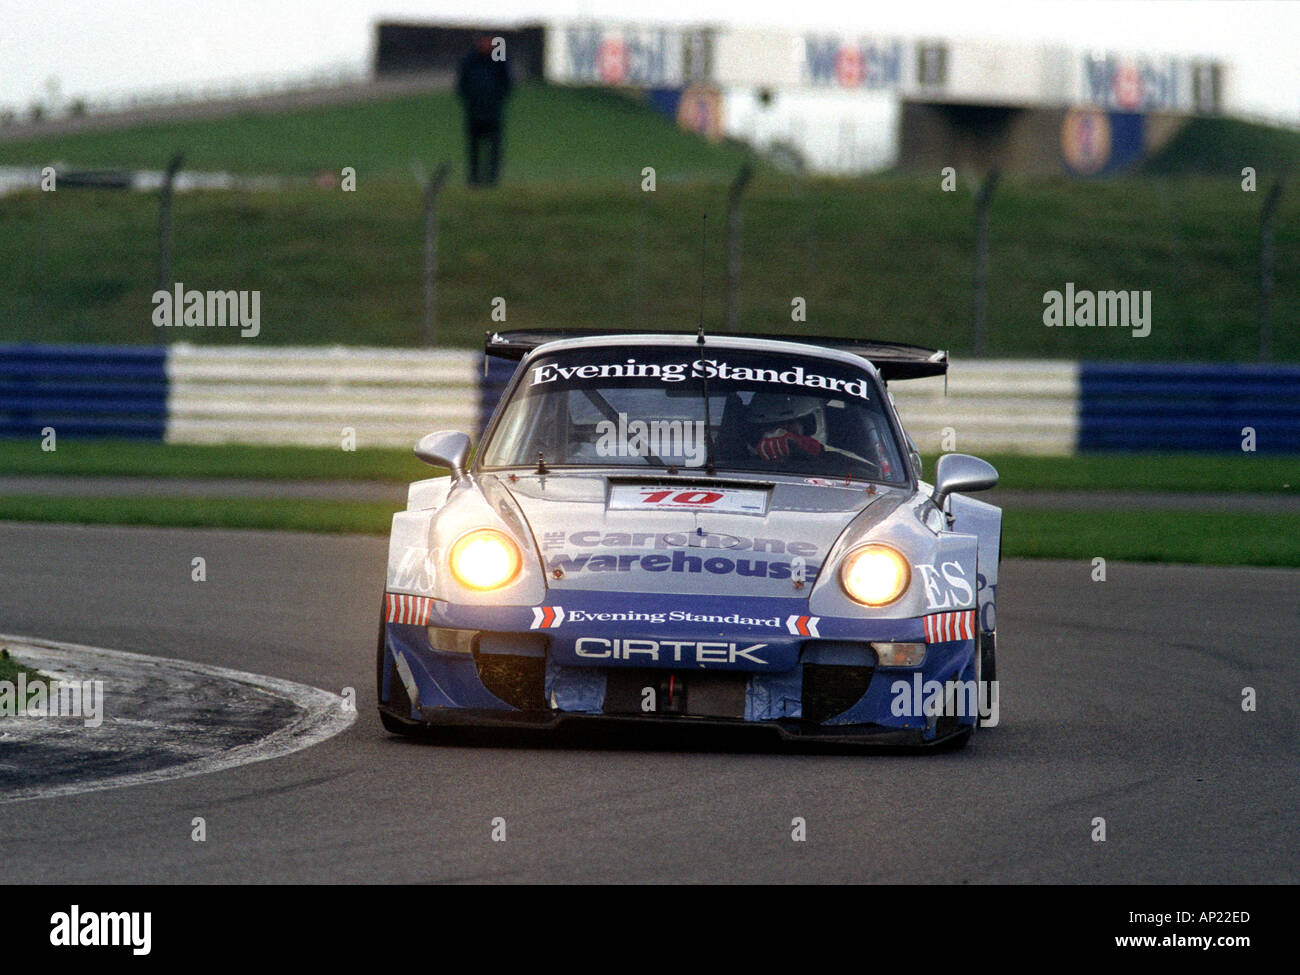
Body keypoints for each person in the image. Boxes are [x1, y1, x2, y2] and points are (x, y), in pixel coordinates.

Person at [456, 35, 512, 186]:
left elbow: (507, 85)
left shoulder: (499, 62)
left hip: (493, 112)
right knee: (474, 147)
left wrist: (496, 100)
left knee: (494, 147)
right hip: (474, 111)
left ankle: (492, 177)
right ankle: (474, 177)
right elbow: (462, 85)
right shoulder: (469, 61)